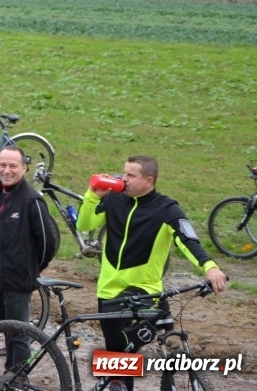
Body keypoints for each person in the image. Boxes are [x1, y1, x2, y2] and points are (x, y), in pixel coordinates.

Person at [77, 155, 227, 391]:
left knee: (124, 352)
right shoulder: (114, 198)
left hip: (143, 289)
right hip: (107, 290)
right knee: (119, 365)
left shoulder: (166, 209)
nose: (123, 179)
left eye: (130, 175)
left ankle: (118, 370)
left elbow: (188, 240)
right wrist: (92, 195)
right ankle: (117, 377)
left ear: (149, 180)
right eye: (124, 173)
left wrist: (210, 267)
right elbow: (84, 225)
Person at [0, 146, 58, 381]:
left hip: (18, 279)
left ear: (24, 168)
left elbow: (48, 243)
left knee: (18, 333)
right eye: (2, 165)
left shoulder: (31, 201)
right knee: (6, 328)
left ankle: (19, 379)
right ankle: (10, 375)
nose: (7, 170)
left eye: (13, 166)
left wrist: (33, 269)